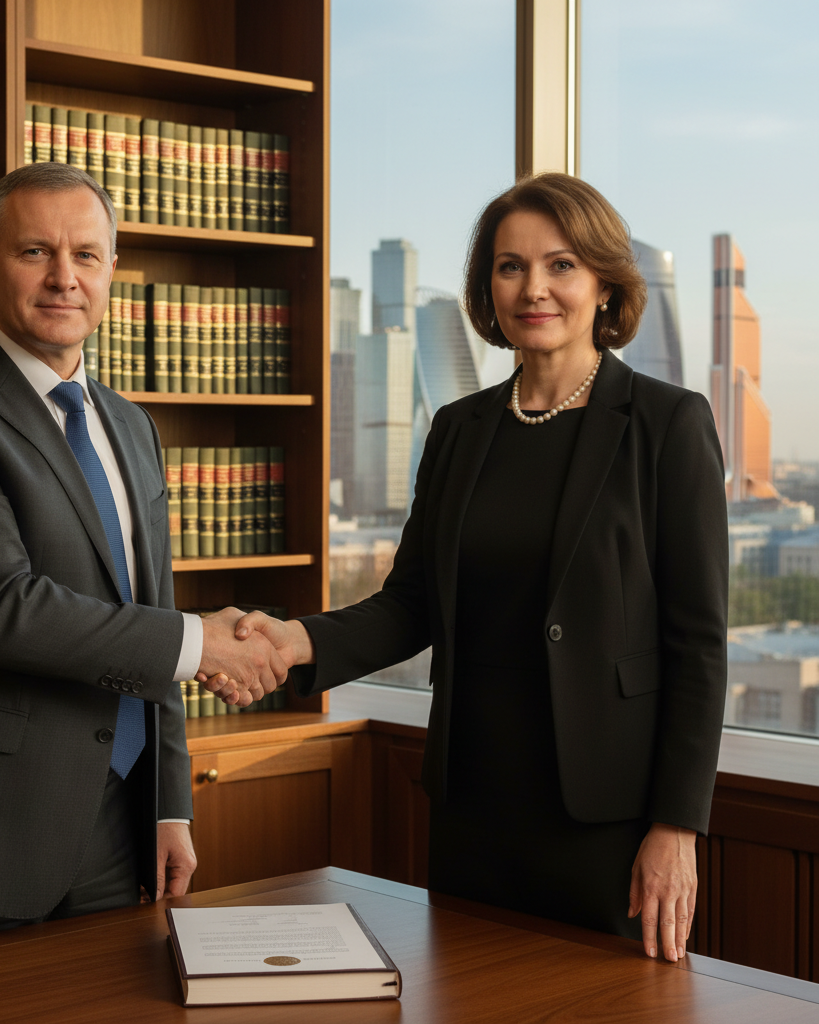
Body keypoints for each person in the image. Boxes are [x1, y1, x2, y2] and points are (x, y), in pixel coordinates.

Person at [227, 173, 728, 962]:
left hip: (610, 816)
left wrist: (677, 826)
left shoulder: (667, 423)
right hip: (475, 803)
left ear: (605, 283)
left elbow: (698, 645)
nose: (534, 288)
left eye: (561, 265)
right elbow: (412, 603)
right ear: (487, 287)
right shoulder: (459, 428)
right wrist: (296, 643)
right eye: (510, 266)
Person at [0, 162, 285, 953]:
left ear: (112, 269)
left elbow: (149, 613)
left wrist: (168, 804)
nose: (63, 278)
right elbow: (2, 612)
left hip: (116, 827)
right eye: (34, 252)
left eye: (85, 254)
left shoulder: (132, 425)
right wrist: (202, 643)